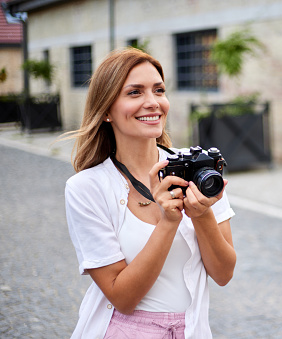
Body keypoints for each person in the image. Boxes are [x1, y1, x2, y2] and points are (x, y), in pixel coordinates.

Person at [64, 48, 236, 339]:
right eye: (135, 92)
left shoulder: (199, 169)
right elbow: (123, 298)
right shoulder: (86, 188)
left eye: (159, 90)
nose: (153, 102)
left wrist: (202, 213)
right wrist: (168, 223)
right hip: (121, 330)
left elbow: (222, 274)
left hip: (192, 331)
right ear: (106, 111)